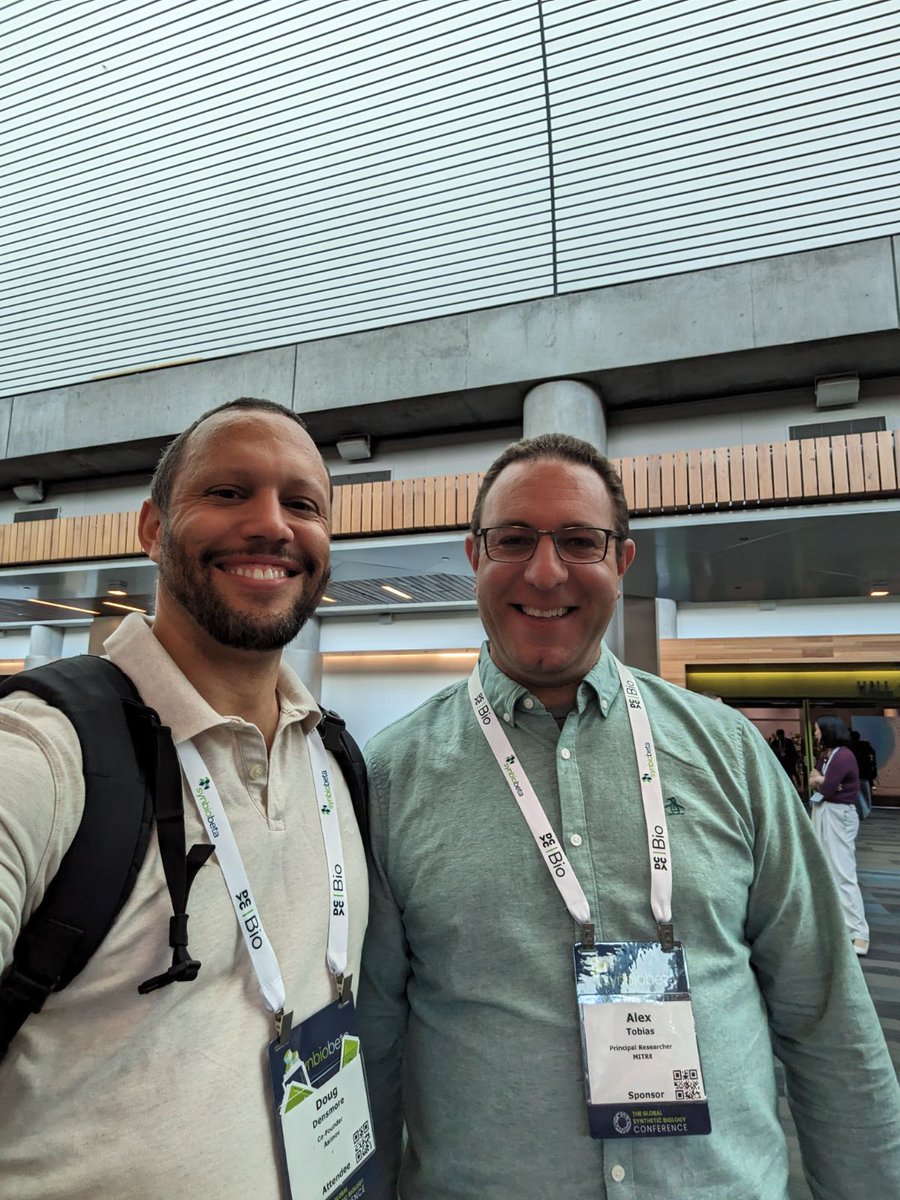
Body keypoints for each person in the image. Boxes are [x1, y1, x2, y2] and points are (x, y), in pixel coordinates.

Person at [357, 432, 900, 1200]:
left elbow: (827, 1020)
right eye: (514, 539)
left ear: (621, 560)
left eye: (580, 540)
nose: (545, 572)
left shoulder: (727, 752)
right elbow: (371, 1042)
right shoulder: (392, 774)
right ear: (475, 556)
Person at [0, 399, 368, 1198]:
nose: (272, 525)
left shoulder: (336, 759)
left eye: (302, 503)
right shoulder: (46, 754)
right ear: (151, 527)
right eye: (228, 492)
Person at [810, 716, 870, 955]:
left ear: (828, 731)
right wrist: (823, 782)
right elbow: (818, 781)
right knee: (827, 869)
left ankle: (859, 933)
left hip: (837, 815)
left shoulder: (843, 755)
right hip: (824, 811)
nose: (815, 734)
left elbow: (825, 786)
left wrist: (823, 782)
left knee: (843, 872)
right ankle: (840, 926)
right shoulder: (828, 754)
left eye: (817, 730)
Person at [850, 728, 878, 814]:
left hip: (857, 772)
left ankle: (860, 806)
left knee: (856, 789)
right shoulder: (866, 746)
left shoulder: (851, 747)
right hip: (866, 772)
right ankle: (867, 805)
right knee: (866, 788)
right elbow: (872, 759)